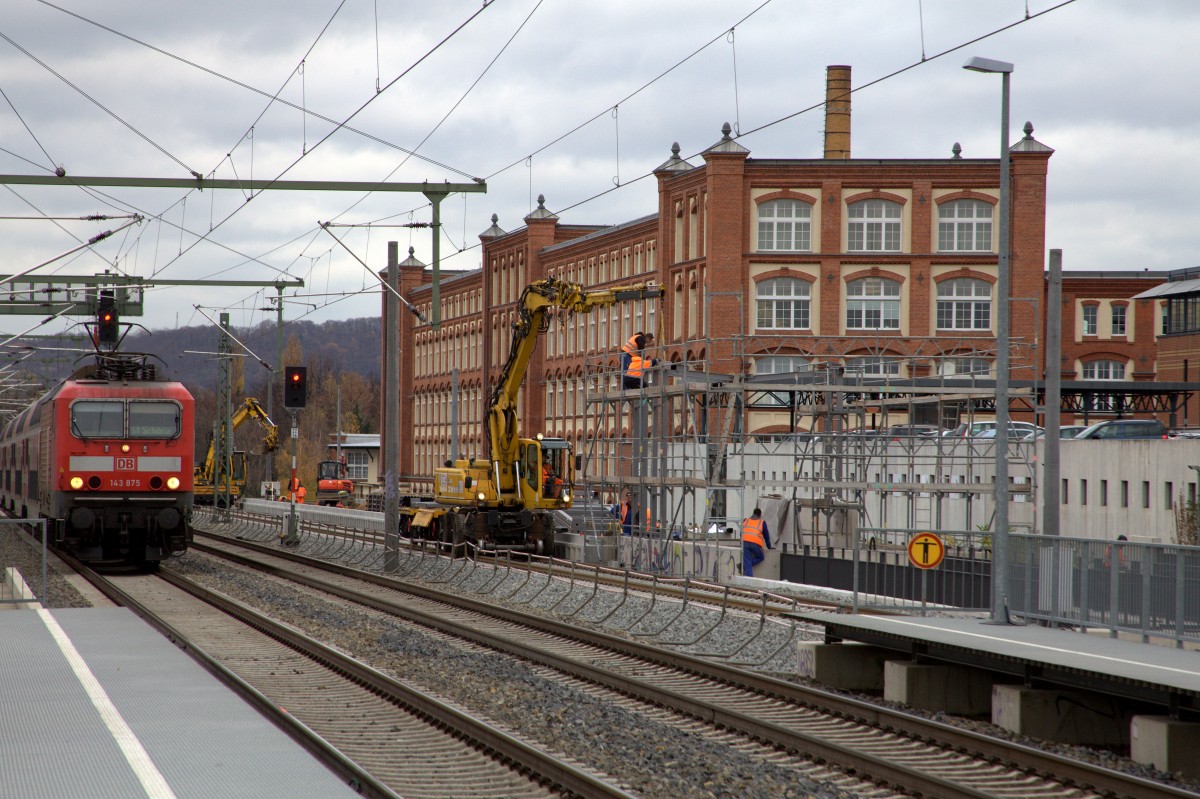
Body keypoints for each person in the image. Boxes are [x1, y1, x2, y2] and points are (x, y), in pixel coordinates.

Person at [741, 507, 773, 577]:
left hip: (744, 542)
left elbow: (742, 532)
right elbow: (766, 536)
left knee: (747, 561)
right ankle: (745, 567)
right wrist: (769, 547)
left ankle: (746, 567)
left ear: (753, 513)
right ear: (760, 515)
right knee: (761, 557)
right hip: (755, 544)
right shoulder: (762, 522)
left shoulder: (746, 520)